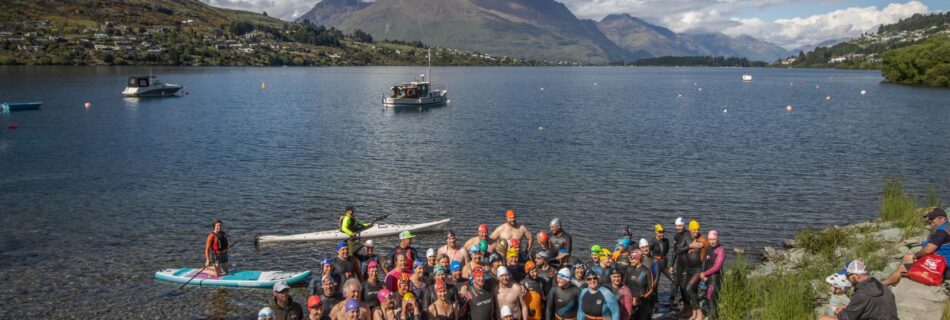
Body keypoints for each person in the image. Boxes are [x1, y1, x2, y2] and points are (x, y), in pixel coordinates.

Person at [882, 207, 950, 286]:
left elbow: (928, 250)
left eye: (932, 220)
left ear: (942, 218)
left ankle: (884, 284)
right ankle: (898, 279)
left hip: (943, 268)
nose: (930, 222)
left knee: (902, 268)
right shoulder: (946, 226)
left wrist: (917, 255)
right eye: (929, 220)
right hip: (939, 261)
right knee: (907, 257)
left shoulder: (941, 232)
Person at [818, 260, 898, 320]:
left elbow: (845, 318)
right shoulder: (880, 285)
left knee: (824, 318)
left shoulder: (862, 294)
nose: (846, 278)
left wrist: (840, 311)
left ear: (856, 276)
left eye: (848, 276)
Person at [695, 230, 725, 320]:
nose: (712, 241)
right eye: (710, 239)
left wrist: (704, 273)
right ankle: (710, 315)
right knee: (707, 298)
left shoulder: (721, 250)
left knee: (712, 299)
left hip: (714, 278)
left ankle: (713, 317)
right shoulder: (708, 248)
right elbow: (704, 261)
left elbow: (716, 267)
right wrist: (703, 274)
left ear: (717, 239)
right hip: (706, 277)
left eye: (714, 239)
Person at [682, 220, 708, 313]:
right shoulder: (687, 238)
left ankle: (700, 312)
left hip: (698, 269)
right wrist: (690, 246)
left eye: (697, 229)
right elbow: (677, 251)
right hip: (689, 269)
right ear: (689, 229)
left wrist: (705, 272)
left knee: (688, 288)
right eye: (694, 229)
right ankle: (695, 313)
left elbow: (709, 254)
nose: (696, 231)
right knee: (691, 290)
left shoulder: (703, 240)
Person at [625, 250, 654, 320]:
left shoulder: (646, 271)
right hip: (629, 301)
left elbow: (651, 289)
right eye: (630, 258)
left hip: (642, 302)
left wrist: (641, 298)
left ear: (639, 259)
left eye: (632, 259)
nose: (631, 261)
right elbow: (624, 285)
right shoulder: (628, 269)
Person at [649, 224, 673, 302]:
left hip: (664, 264)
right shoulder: (653, 242)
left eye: (663, 232)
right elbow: (648, 254)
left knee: (674, 279)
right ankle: (655, 302)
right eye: (659, 232)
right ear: (655, 232)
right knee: (655, 283)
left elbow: (666, 252)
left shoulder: (666, 241)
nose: (661, 234)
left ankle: (672, 300)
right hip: (656, 264)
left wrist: (670, 266)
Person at [669, 217, 689, 306]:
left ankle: (686, 303)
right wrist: (671, 265)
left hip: (688, 264)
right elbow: (674, 251)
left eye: (680, 226)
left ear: (684, 225)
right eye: (676, 226)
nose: (678, 228)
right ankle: (671, 301)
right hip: (679, 263)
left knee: (684, 285)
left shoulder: (688, 235)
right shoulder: (676, 236)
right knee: (676, 282)